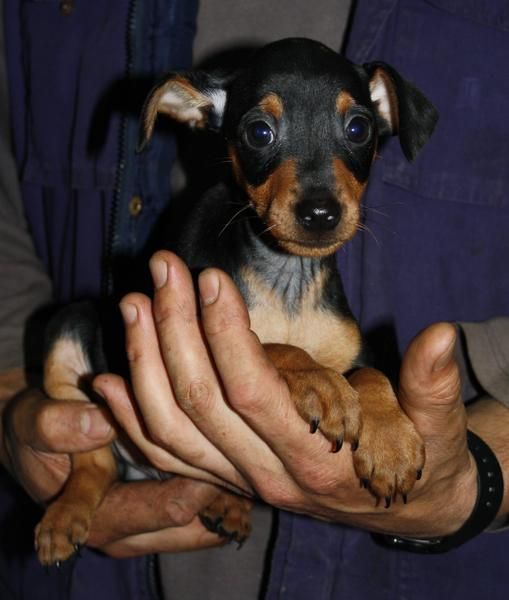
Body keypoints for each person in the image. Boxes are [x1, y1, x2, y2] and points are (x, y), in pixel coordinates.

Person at [1, 2, 509, 600]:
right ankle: (89, 478)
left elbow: (357, 374)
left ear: (386, 115)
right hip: (107, 458)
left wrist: (384, 402)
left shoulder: (333, 317)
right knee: (70, 331)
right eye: (263, 134)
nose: (318, 194)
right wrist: (8, 387)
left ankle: (221, 487)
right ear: (198, 112)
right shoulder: (209, 258)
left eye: (354, 130)